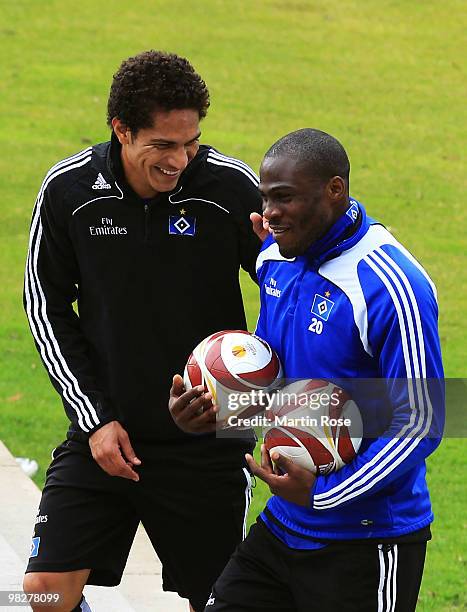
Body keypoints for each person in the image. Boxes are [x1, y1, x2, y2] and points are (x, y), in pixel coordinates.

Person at [22, 50, 263, 612]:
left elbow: (286, 287)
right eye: (163, 144)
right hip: (108, 435)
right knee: (36, 593)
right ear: (122, 130)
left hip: (206, 445)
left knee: (224, 602)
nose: (180, 160)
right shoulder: (68, 193)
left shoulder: (229, 189)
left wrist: (270, 399)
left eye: (191, 141)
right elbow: (47, 308)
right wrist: (96, 420)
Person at [201, 129, 444, 612]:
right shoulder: (275, 258)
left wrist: (324, 494)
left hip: (368, 540)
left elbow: (421, 421)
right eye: (266, 199)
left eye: (285, 198)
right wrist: (216, 410)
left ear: (335, 190)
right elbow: (274, 379)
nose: (269, 214)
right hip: (284, 525)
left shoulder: (391, 286)